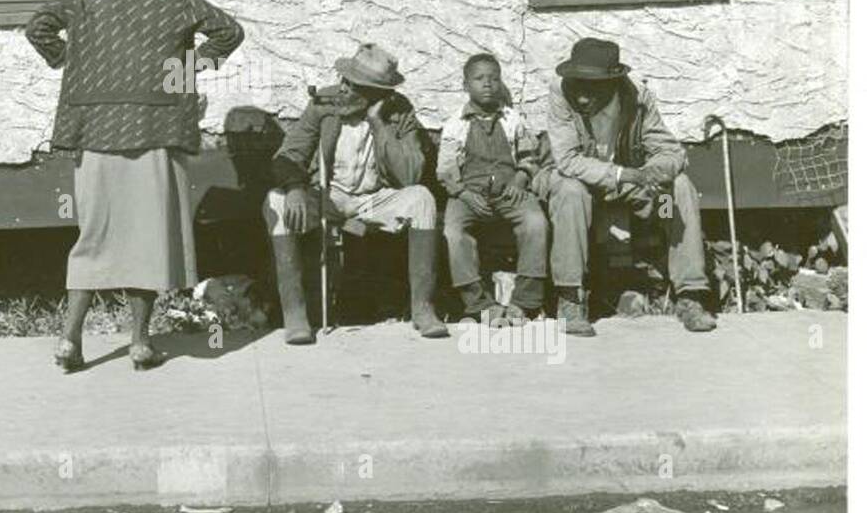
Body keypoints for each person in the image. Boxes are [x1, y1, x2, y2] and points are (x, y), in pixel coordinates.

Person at [25, 0, 244, 371]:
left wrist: (70, 62)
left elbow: (38, 26)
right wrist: (186, 71)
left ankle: (69, 340)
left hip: (95, 133)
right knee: (146, 240)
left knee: (94, 236)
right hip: (155, 132)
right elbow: (229, 31)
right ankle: (141, 343)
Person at [262, 43, 446, 344]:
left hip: (373, 199)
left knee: (422, 198)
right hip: (327, 197)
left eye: (355, 85)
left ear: (379, 93)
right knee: (276, 200)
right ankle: (295, 315)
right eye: (344, 80)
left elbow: (411, 174)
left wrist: (378, 123)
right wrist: (295, 187)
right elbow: (288, 154)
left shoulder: (399, 112)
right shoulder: (324, 104)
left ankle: (423, 309)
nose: (344, 88)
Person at [536, 37, 716, 337]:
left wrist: (655, 172)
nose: (582, 96)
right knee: (570, 192)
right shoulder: (560, 93)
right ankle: (570, 300)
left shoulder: (638, 99)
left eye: (592, 87)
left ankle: (689, 296)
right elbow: (567, 160)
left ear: (614, 82)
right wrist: (626, 175)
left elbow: (671, 152)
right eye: (577, 84)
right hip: (574, 181)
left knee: (678, 189)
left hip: (629, 187)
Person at [437, 53, 548, 326]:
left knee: (536, 223)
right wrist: (463, 193)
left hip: (509, 191)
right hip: (468, 193)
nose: (487, 84)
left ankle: (524, 302)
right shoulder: (455, 125)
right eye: (479, 79)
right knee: (453, 230)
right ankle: (479, 304)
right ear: (466, 86)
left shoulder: (513, 120)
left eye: (494, 78)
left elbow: (529, 157)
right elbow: (445, 170)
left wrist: (521, 179)